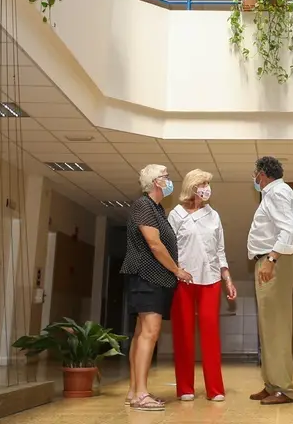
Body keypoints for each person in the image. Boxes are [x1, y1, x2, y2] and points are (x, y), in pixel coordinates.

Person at [121, 164, 193, 412]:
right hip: (147, 277)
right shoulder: (143, 205)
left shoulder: (157, 209)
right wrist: (177, 270)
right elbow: (154, 244)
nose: (169, 180)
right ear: (155, 182)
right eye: (165, 177)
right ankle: (141, 394)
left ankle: (134, 391)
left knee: (142, 333)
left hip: (154, 279)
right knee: (149, 333)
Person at [168, 169, 237, 402]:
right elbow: (169, 249)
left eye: (208, 183)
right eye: (202, 183)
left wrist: (227, 278)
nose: (206, 187)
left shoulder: (213, 215)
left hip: (211, 280)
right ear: (192, 186)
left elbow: (220, 251)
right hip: (183, 280)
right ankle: (185, 388)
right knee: (184, 334)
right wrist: (177, 269)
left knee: (210, 334)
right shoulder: (176, 215)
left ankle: (215, 389)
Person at [246, 156, 293, 406]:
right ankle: (271, 384)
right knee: (269, 327)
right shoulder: (274, 193)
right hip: (270, 260)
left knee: (276, 326)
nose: (254, 178)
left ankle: (283, 389)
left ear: (263, 174)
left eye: (255, 173)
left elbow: (288, 230)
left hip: (274, 261)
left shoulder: (277, 193)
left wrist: (271, 259)